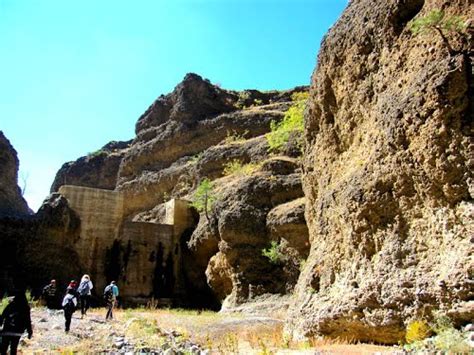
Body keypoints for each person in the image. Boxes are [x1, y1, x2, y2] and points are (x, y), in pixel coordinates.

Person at [0, 290, 33, 355]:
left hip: (7, 330)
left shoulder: (11, 305)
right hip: (17, 332)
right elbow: (28, 321)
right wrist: (30, 331)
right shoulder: (26, 307)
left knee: (3, 349)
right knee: (13, 348)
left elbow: (3, 316)